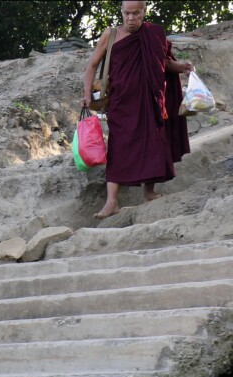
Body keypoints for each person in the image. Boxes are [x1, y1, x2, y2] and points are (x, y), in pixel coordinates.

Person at [81, 0, 193, 219]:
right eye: (127, 13)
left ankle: (149, 192)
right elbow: (92, 65)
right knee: (118, 147)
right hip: (121, 103)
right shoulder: (111, 35)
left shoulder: (154, 34)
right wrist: (86, 94)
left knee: (153, 143)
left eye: (136, 14)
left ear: (144, 13)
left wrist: (182, 67)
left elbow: (164, 63)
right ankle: (111, 201)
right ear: (121, 12)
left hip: (150, 101)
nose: (131, 18)